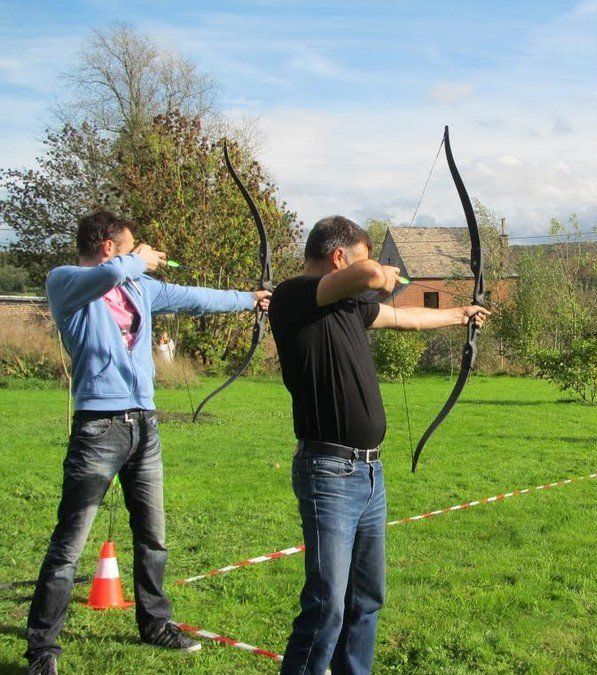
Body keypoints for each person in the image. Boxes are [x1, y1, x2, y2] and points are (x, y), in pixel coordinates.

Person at [25, 210, 271, 675]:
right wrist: (137, 259)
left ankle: (155, 624)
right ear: (108, 247)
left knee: (153, 536)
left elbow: (193, 297)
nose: (142, 255)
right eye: (130, 246)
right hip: (98, 428)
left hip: (145, 425)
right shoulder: (66, 281)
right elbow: (111, 273)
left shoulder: (138, 286)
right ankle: (42, 649)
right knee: (69, 544)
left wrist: (248, 299)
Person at [268, 216, 489, 674]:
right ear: (338, 258)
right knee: (326, 604)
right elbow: (370, 275)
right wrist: (381, 273)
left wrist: (459, 314)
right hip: (328, 472)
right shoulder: (293, 297)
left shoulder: (349, 307)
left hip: (370, 474)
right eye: (361, 257)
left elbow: (405, 317)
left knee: (366, 598)